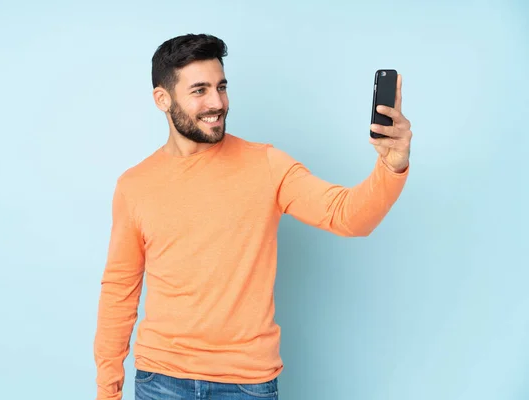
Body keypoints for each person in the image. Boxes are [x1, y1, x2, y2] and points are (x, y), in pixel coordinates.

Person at [93, 33, 412, 400]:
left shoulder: (266, 164)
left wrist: (392, 165)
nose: (217, 103)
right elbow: (119, 290)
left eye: (221, 87)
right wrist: (107, 388)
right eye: (199, 90)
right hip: (161, 381)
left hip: (246, 384)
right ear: (162, 99)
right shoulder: (135, 185)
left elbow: (348, 217)